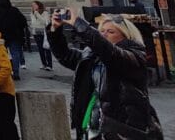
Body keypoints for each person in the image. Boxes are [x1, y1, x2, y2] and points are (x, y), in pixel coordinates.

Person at [49, 7, 164, 140]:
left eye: (110, 31)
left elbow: (110, 53)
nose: (104, 34)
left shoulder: (134, 55)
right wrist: (55, 30)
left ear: (126, 35)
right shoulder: (92, 55)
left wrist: (78, 23)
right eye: (101, 31)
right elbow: (65, 56)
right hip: (94, 122)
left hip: (126, 126)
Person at [29, 1, 52, 71]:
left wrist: (37, 14)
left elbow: (45, 22)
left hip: (44, 33)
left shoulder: (45, 13)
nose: (33, 7)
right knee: (40, 49)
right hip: (36, 33)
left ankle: (49, 65)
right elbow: (33, 22)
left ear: (39, 5)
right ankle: (44, 64)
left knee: (46, 48)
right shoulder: (32, 13)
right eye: (32, 5)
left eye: (34, 5)